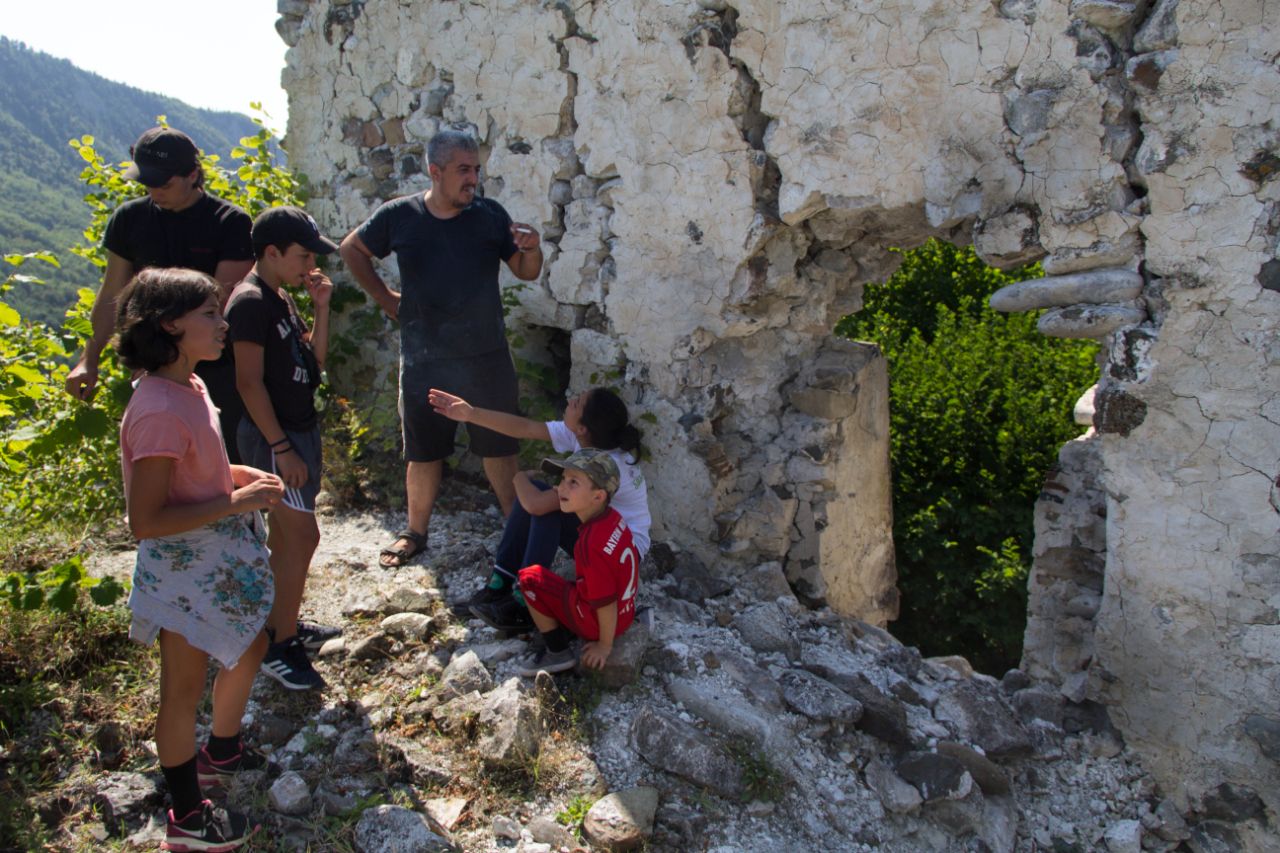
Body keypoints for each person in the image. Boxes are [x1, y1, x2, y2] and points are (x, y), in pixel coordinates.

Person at [115, 267, 283, 852]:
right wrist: (235, 498)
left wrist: (236, 475)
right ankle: (187, 817)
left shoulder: (190, 385)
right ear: (169, 325)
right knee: (181, 691)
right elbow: (147, 520)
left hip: (214, 557)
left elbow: (196, 472)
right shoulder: (159, 408)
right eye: (210, 314)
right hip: (184, 571)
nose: (223, 324)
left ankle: (224, 749)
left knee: (252, 642)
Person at [339, 129, 543, 568]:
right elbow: (351, 248)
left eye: (476, 169)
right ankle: (415, 533)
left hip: (486, 356)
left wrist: (533, 249)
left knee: (500, 449)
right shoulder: (400, 216)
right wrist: (386, 299)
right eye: (463, 170)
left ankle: (517, 529)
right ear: (435, 172)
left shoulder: (489, 216)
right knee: (424, 451)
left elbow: (526, 272)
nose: (473, 179)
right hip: (424, 359)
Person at [65, 127, 254, 464]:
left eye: (164, 183)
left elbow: (217, 306)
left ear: (193, 175)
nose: (154, 191)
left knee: (221, 464)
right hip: (151, 365)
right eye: (147, 182)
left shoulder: (229, 222)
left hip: (215, 365)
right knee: (161, 463)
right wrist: (88, 359)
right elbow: (112, 293)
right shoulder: (129, 219)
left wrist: (164, 361)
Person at [226, 207, 340, 691]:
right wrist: (280, 447)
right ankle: (278, 643)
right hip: (277, 439)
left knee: (293, 538)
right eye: (302, 254)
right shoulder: (250, 302)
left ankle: (284, 624)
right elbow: (248, 383)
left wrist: (320, 307)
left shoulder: (279, 297)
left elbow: (312, 361)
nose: (309, 263)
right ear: (271, 253)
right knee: (300, 537)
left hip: (298, 430)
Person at [426, 386, 650, 629]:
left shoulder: (603, 466)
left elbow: (535, 505)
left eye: (577, 403)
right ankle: (500, 586)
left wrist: (519, 478)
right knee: (542, 496)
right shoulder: (585, 437)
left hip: (621, 554)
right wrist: (470, 413)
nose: (570, 400)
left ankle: (526, 603)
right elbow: (525, 428)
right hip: (602, 538)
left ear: (583, 427)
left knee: (544, 503)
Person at [511, 450, 641, 675]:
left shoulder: (590, 545)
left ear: (598, 496)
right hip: (626, 612)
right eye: (562, 480)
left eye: (573, 483)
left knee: (529, 578)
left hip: (600, 624)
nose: (560, 488)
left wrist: (604, 646)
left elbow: (605, 602)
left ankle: (556, 650)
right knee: (566, 580)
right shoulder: (614, 519)